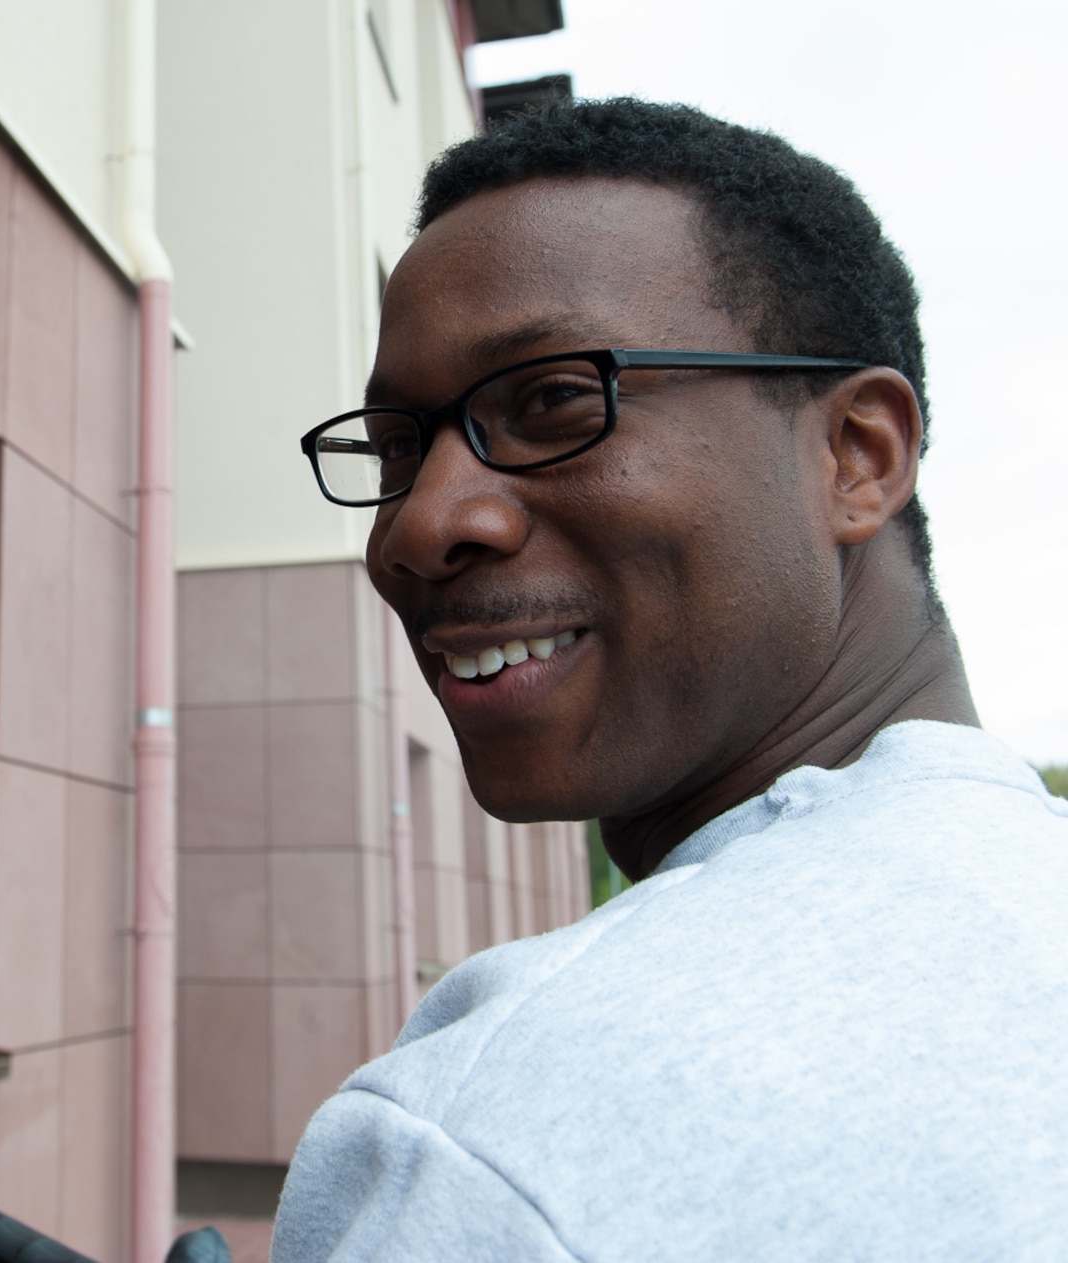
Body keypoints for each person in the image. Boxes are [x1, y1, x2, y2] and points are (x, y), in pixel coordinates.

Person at [274, 99, 1068, 1260]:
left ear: (856, 455)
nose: (418, 525)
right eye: (397, 448)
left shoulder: (508, 1132)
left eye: (550, 397)